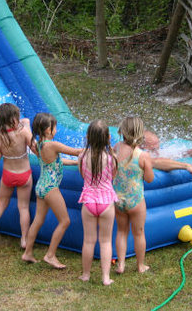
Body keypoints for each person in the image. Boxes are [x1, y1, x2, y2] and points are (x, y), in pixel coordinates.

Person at [21, 112, 82, 269]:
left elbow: (56, 161)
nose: (56, 130)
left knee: (38, 220)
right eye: (55, 127)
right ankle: (50, 255)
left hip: (41, 186)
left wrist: (74, 163)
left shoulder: (40, 145)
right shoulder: (53, 145)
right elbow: (77, 152)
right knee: (65, 221)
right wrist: (97, 146)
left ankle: (27, 252)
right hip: (50, 188)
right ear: (48, 129)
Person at [0, 103, 36, 248]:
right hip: (24, 175)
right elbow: (35, 148)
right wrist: (28, 129)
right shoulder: (23, 132)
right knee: (23, 207)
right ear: (14, 119)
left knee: (1, 203)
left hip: (8, 174)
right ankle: (24, 239)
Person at [77, 120, 118, 286]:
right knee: (105, 241)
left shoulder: (82, 156)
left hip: (88, 201)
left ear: (88, 137)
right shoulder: (112, 158)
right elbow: (112, 177)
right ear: (108, 138)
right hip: (106, 202)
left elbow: (83, 175)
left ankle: (86, 275)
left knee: (88, 241)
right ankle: (106, 278)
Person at [113, 116, 154, 273]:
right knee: (139, 233)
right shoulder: (142, 155)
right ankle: (140, 265)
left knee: (121, 231)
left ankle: (121, 264)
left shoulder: (116, 148)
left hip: (118, 199)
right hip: (135, 201)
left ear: (122, 131)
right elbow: (149, 179)